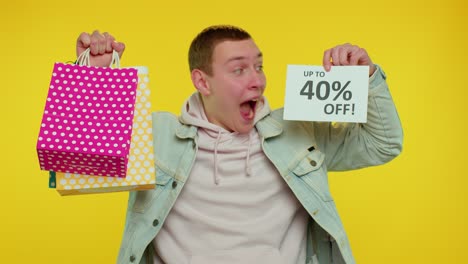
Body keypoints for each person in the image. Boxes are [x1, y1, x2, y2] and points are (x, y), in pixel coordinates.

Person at [76, 25, 403, 264]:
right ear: (202, 81)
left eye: (259, 66)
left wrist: (368, 78)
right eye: (239, 70)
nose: (257, 80)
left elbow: (381, 143)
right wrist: (92, 76)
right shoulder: (158, 136)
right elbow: (78, 159)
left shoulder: (298, 129)